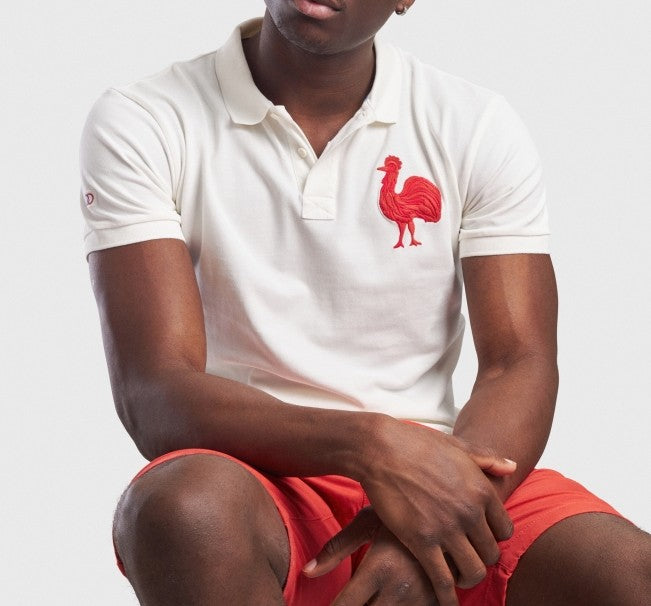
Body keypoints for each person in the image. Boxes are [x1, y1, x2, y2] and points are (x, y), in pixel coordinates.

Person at [79, 1, 650, 604]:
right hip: (255, 476)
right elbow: (155, 392)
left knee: (630, 573)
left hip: (441, 461)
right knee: (185, 512)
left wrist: (430, 523)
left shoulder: (474, 123)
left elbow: (519, 362)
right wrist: (371, 446)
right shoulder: (146, 119)